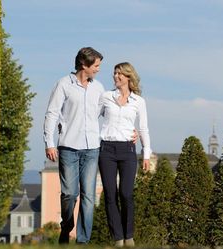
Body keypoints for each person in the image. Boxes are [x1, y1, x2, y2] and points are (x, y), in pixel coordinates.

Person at [43, 47, 104, 244]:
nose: (98, 69)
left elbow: (108, 113)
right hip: (69, 147)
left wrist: (129, 130)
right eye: (95, 65)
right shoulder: (63, 85)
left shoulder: (98, 88)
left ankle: (83, 240)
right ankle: (66, 227)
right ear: (84, 65)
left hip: (92, 148)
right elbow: (52, 113)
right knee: (69, 194)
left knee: (88, 196)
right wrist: (49, 143)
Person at [98, 62, 151, 247]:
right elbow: (91, 117)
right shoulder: (105, 97)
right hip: (106, 150)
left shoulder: (139, 101)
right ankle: (118, 238)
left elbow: (143, 128)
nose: (116, 76)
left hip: (128, 150)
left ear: (129, 77)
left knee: (126, 193)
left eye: (120, 73)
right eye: (114, 73)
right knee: (110, 195)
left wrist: (146, 153)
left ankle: (129, 236)